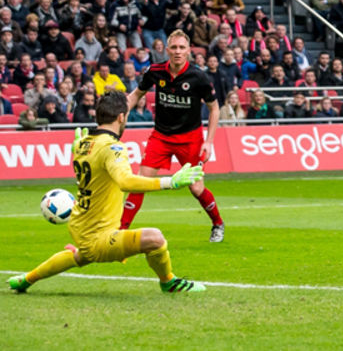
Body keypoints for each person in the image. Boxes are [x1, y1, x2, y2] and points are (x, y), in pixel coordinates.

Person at [7, 92, 206, 294]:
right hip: (98, 235)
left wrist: (77, 150)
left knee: (80, 256)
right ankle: (169, 282)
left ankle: (26, 279)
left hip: (82, 226)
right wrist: (170, 182)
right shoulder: (112, 147)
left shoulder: (83, 143)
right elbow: (125, 181)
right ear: (121, 117)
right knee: (155, 238)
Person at [119, 31, 225, 242]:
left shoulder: (199, 77)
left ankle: (217, 223)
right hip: (161, 137)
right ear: (167, 50)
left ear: (188, 51)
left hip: (190, 138)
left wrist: (209, 141)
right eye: (174, 47)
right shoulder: (155, 71)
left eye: (182, 48)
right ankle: (119, 231)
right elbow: (136, 94)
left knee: (196, 188)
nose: (178, 51)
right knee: (139, 182)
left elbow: (214, 108)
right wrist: (120, 113)